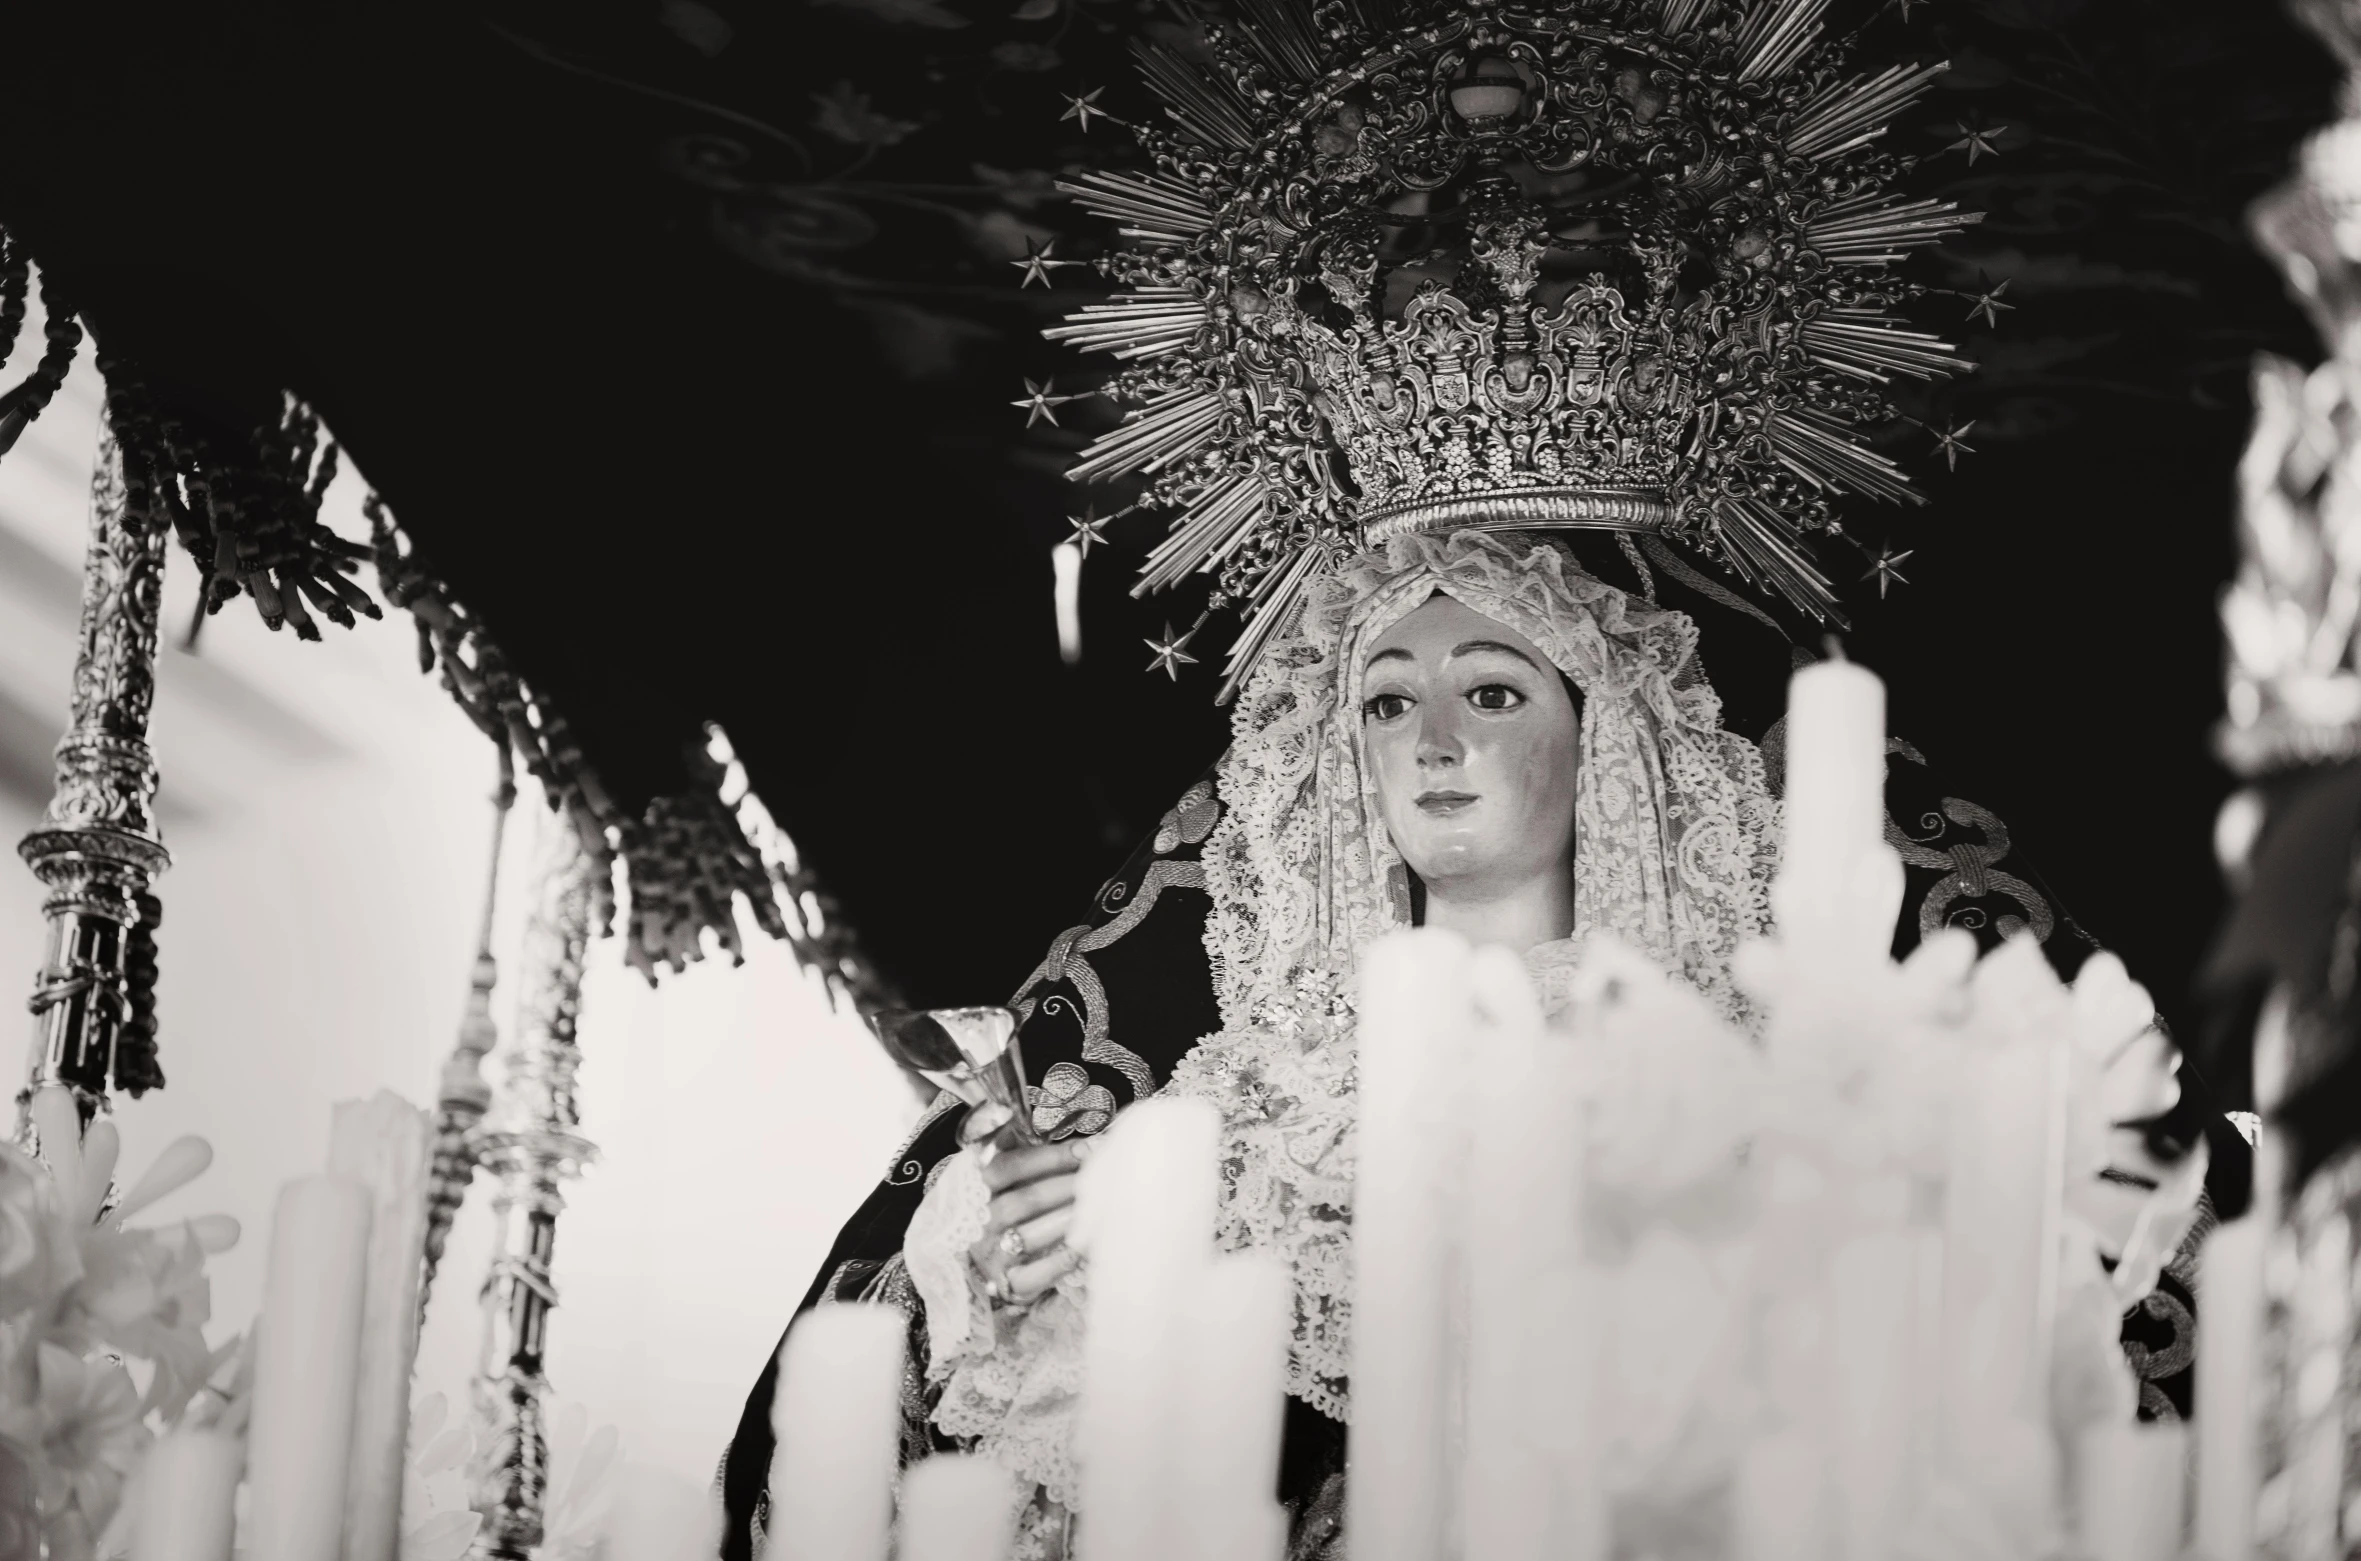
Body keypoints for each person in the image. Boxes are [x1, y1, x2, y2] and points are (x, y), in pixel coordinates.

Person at [718, 532, 2205, 1557]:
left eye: (1490, 690)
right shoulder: (1233, 1105)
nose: (1430, 739)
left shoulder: (1755, 1074)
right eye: (1385, 701)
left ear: (1600, 736)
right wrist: (1030, 1249)